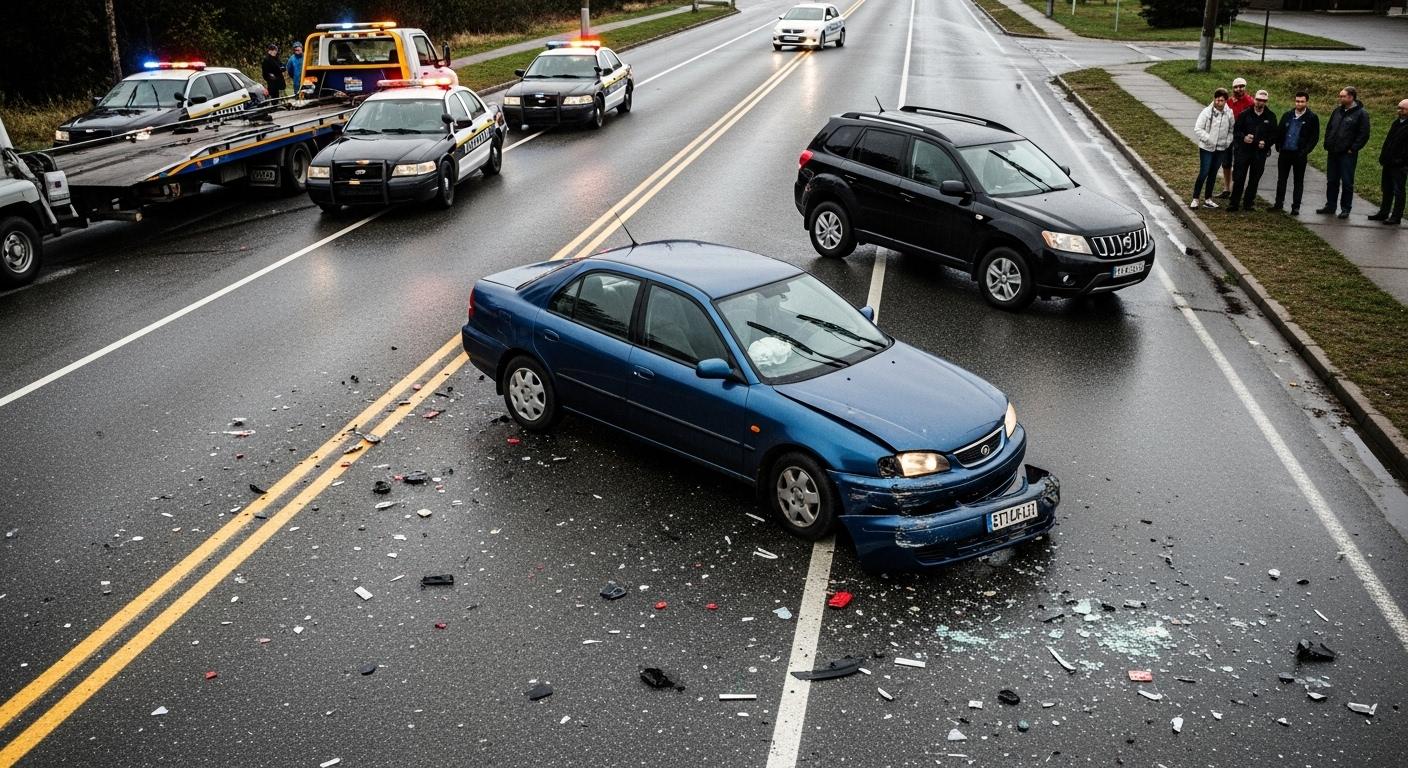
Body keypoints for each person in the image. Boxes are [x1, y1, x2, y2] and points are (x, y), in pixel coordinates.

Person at [1317, 86, 1371, 219]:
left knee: (1347, 182)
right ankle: (1330, 205)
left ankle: (1346, 209)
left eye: (1343, 96)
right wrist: (1327, 143)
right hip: (1333, 152)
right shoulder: (1337, 111)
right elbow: (1330, 127)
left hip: (1347, 154)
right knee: (1331, 181)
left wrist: (1353, 148)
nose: (1340, 98)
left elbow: (1364, 134)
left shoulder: (1361, 114)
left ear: (1351, 97)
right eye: (1340, 96)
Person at [1229, 89, 1279, 212]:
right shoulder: (1245, 114)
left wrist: (1266, 143)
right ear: (1254, 99)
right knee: (1239, 178)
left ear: (1266, 102)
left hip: (1259, 153)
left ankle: (1248, 203)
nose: (1260, 103)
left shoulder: (1271, 116)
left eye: (1263, 101)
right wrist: (1244, 137)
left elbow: (1274, 135)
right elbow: (1236, 131)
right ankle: (1234, 203)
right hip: (1244, 151)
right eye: (1258, 100)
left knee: (1254, 178)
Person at [1272, 91, 1319, 215]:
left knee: (1298, 181)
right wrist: (1278, 146)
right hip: (1285, 153)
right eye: (1297, 101)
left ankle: (1296, 207)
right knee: (1281, 179)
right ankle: (1278, 204)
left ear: (1306, 102)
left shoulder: (1312, 118)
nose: (1299, 103)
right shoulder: (1287, 115)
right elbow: (1279, 131)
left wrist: (1305, 151)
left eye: (1302, 101)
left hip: (1299, 155)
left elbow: (1314, 138)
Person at [1192, 88, 1235, 210]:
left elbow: (1231, 130)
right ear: (1214, 99)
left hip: (1221, 148)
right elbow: (1198, 129)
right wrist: (1209, 139)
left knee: (1213, 173)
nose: (1219, 102)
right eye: (1217, 99)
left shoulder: (1229, 113)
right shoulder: (1207, 112)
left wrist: (1227, 142)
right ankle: (1195, 198)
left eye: (1222, 100)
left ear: (1226, 101)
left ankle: (1208, 199)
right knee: (1204, 172)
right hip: (1206, 148)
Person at [1368, 99, 1408, 226]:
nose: (1399, 111)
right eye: (1398, 108)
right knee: (1386, 189)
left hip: (1400, 165)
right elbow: (1388, 142)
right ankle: (1384, 212)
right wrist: (1383, 157)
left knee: (1399, 191)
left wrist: (1400, 161)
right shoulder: (1396, 123)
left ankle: (1396, 216)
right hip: (1388, 162)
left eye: (1403, 108)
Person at [1217, 77, 1255, 198]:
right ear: (1232, 88)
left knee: (1238, 164)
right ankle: (1226, 188)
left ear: (1245, 87)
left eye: (1241, 86)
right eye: (1236, 87)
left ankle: (1235, 188)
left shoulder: (1250, 102)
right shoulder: (1229, 101)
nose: (1239, 89)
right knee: (1226, 163)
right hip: (1227, 136)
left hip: (1241, 137)